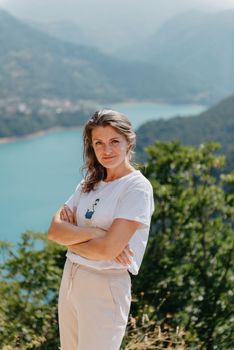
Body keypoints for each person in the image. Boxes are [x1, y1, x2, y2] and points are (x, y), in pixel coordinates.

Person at [48, 109, 154, 350]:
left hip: (105, 286)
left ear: (129, 141)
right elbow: (54, 231)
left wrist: (72, 237)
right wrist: (95, 234)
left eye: (114, 141)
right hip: (71, 277)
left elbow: (107, 250)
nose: (106, 150)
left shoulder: (136, 188)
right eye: (99, 143)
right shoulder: (88, 183)